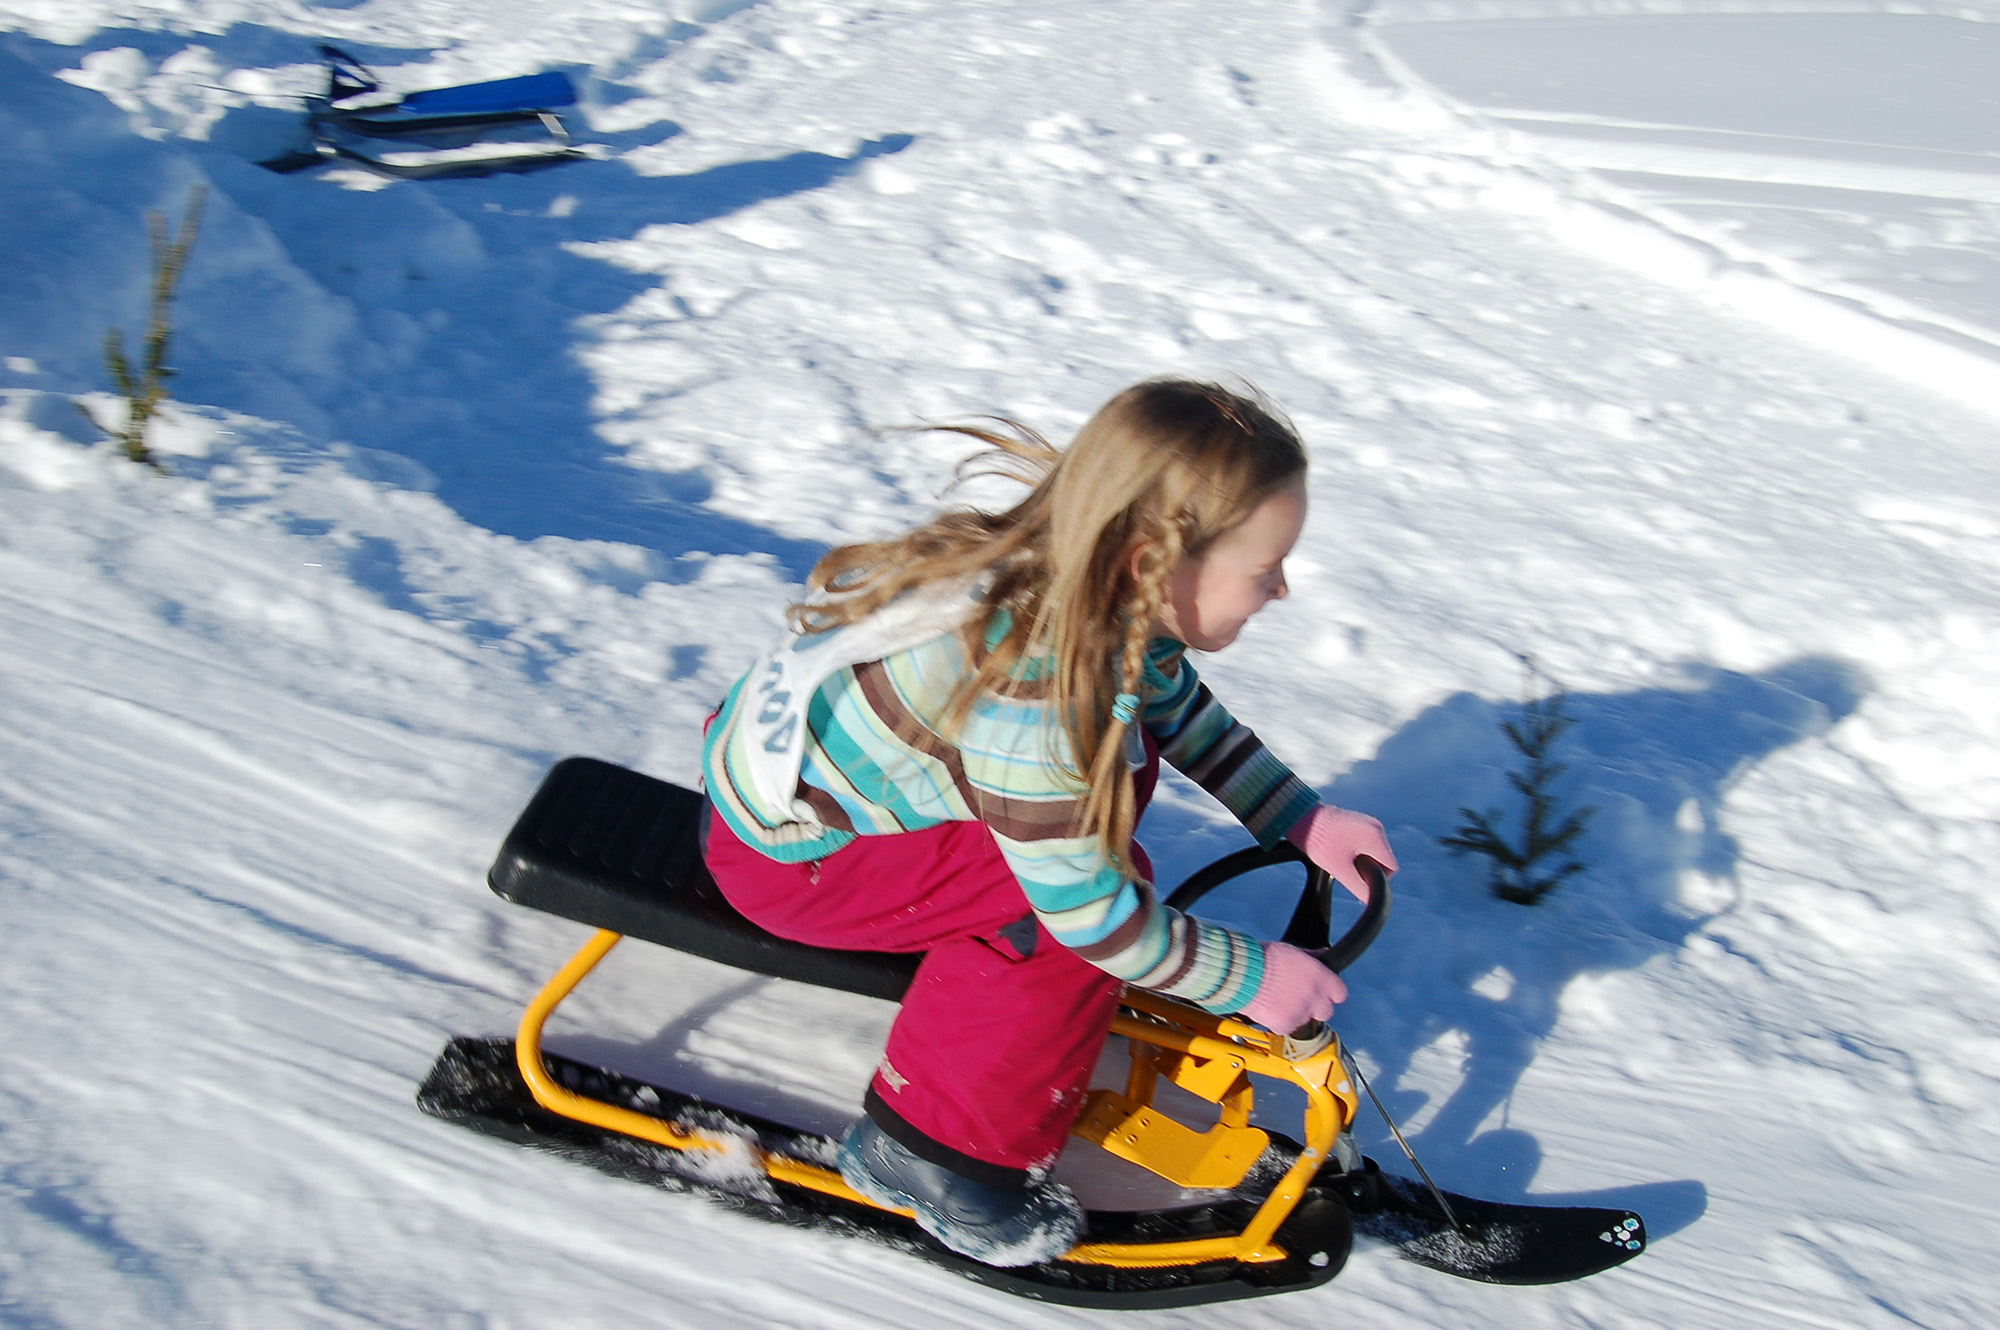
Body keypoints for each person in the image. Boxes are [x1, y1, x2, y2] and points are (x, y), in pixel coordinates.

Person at [700, 379, 1398, 1267]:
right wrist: (1250, 976)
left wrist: (1299, 816)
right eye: (1263, 572)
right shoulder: (1038, 696)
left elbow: (1172, 704)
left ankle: (1008, 1022)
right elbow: (1095, 920)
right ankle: (928, 1152)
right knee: (1072, 910)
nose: (1284, 589)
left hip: (798, 794)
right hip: (799, 861)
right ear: (1153, 564)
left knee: (1099, 843)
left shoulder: (1088, 591)